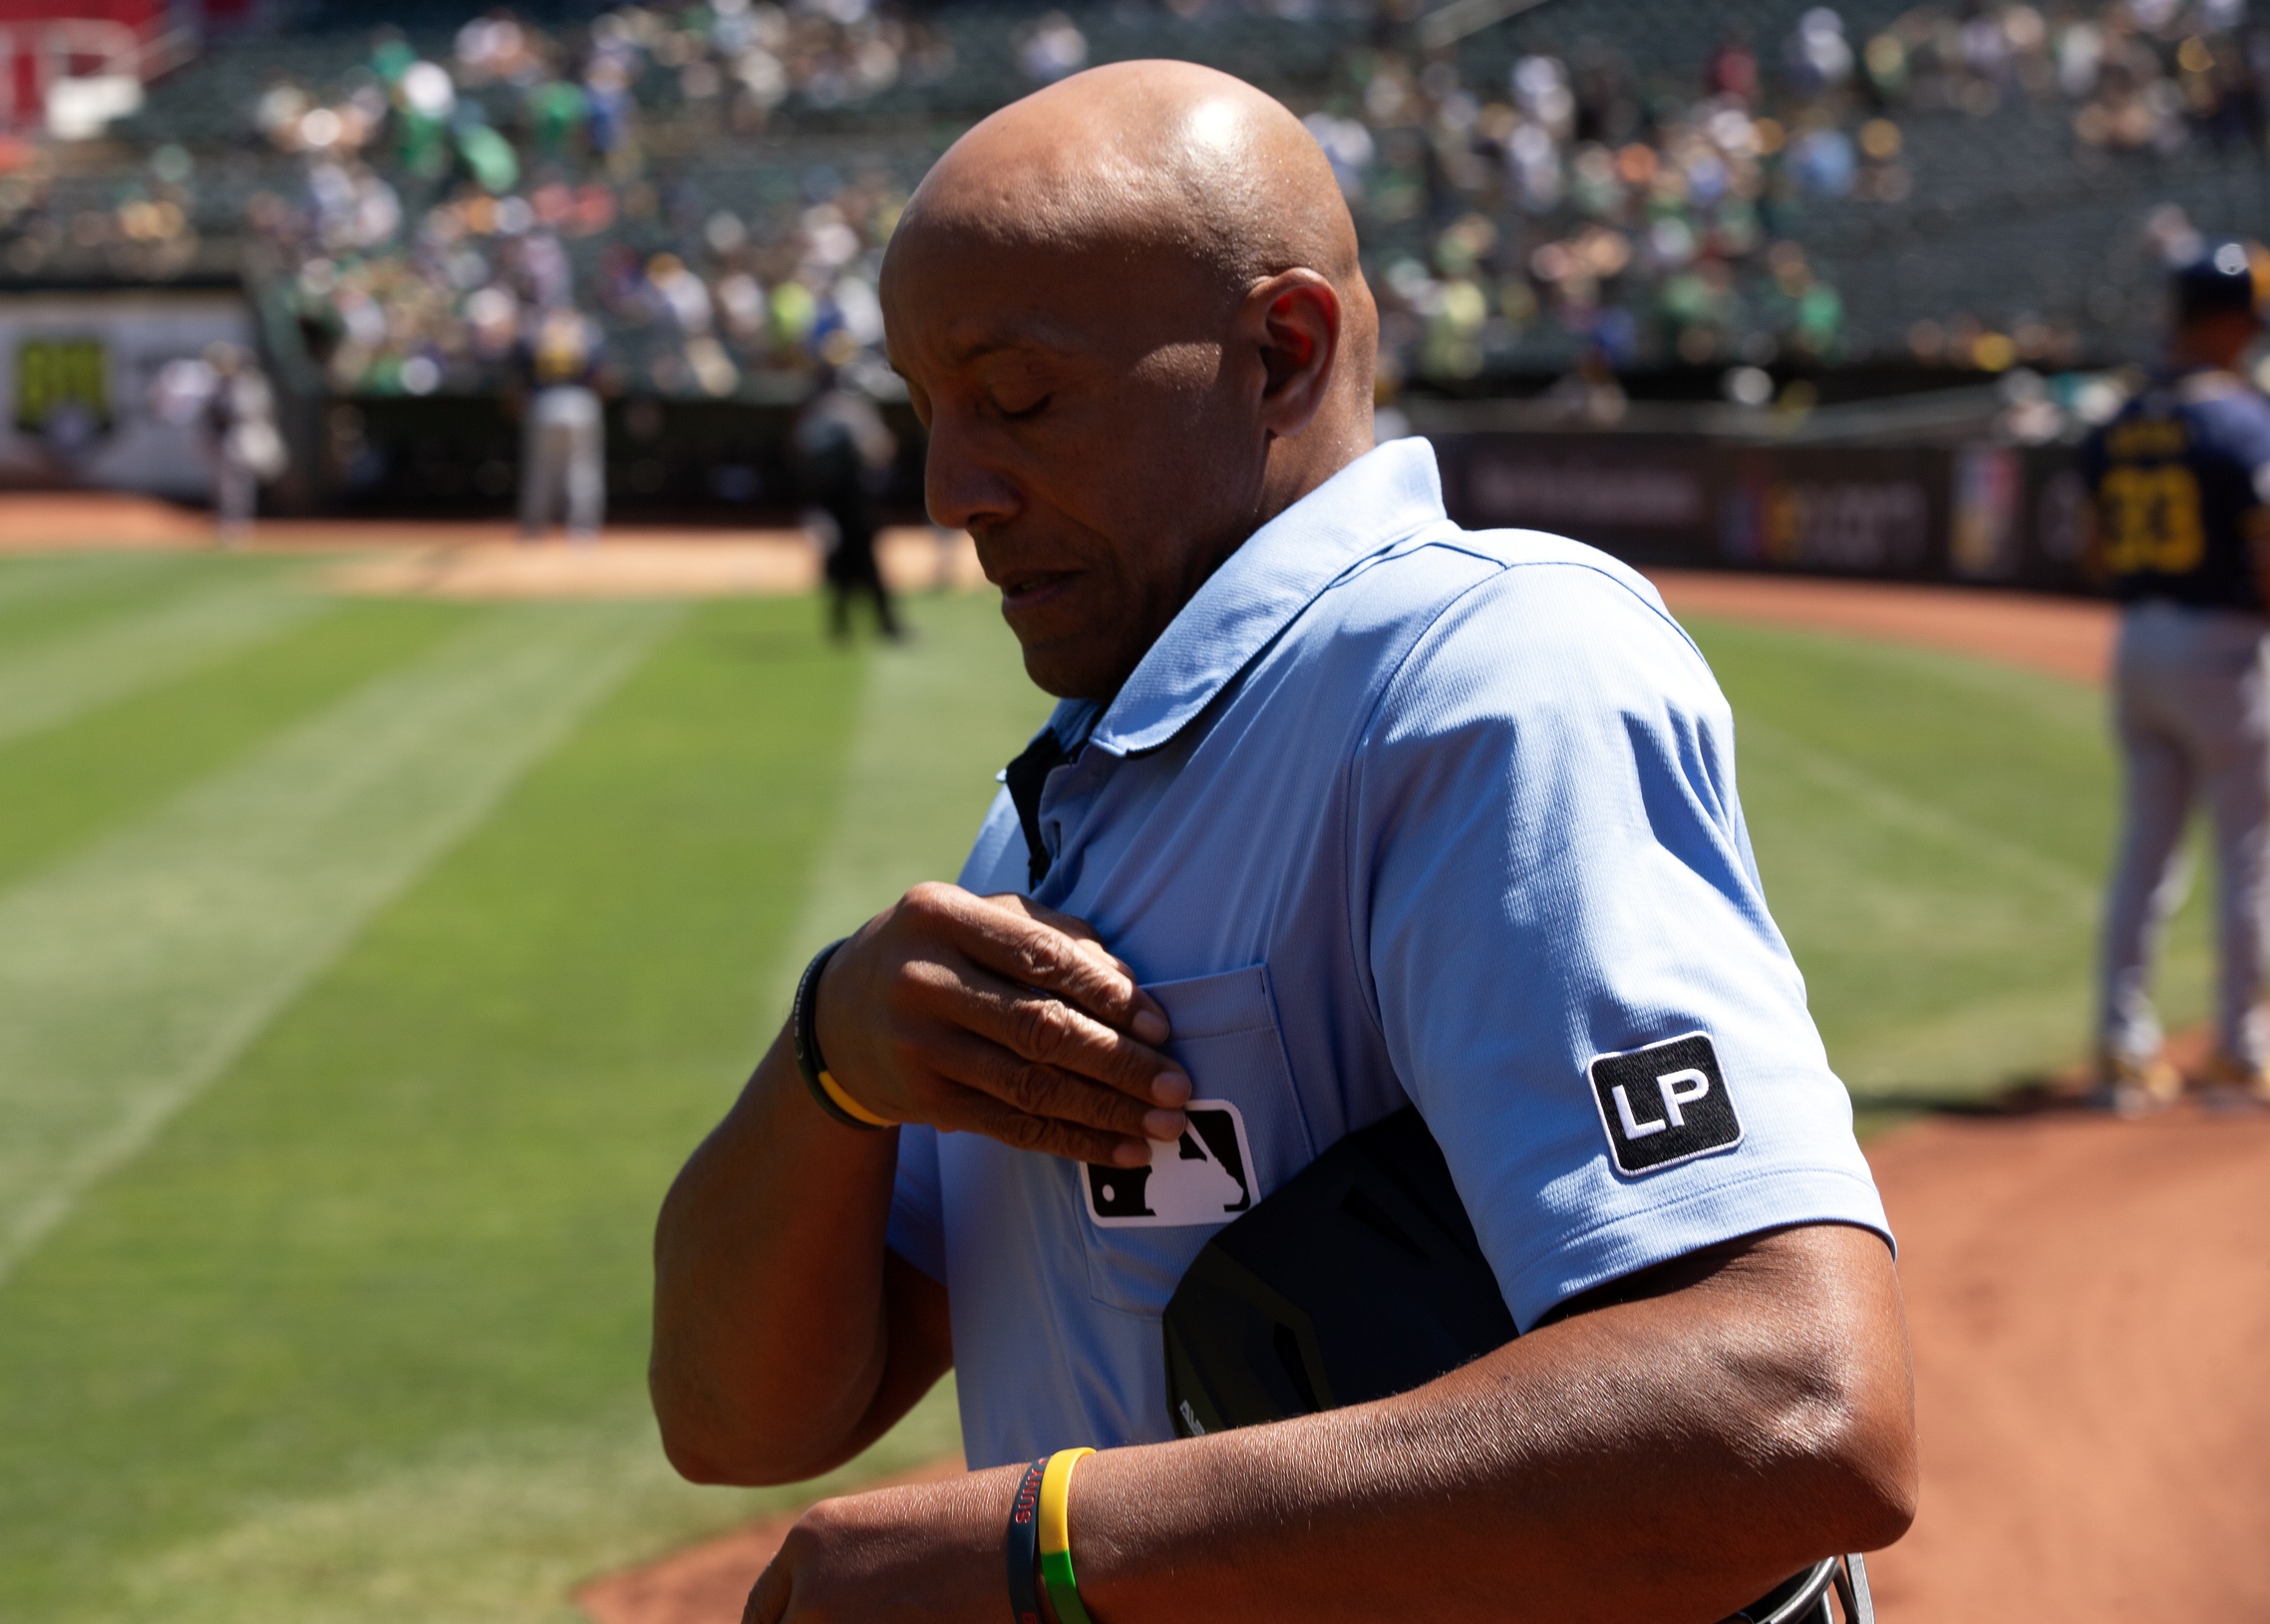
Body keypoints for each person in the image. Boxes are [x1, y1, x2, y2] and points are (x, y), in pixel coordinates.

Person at [651, 61, 1914, 1624]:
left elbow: (1787, 1412)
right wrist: (827, 1057)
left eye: (1018, 397)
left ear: (1278, 349)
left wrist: (1039, 1551)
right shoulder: (1058, 802)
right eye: (929, 412)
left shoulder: (1486, 678)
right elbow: (732, 1421)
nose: (951, 489)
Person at [2088, 241, 2270, 1114]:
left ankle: (2121, 1052)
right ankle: (2239, 1050)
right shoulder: (2239, 418)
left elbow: (2090, 544)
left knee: (2144, 857)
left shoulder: (2122, 414)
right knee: (2247, 855)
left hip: (2137, 637)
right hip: (2223, 645)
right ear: (2230, 321)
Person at [793, 358, 903, 641]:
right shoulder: (853, 409)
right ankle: (884, 623)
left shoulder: (815, 411)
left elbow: (799, 454)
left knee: (840, 560)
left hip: (830, 501)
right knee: (866, 562)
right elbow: (880, 450)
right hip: (857, 500)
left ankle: (841, 625)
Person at [514, 305, 607, 541]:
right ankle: (583, 531)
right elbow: (601, 373)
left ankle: (533, 531)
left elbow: (521, 372)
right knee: (582, 470)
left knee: (540, 470)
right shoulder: (586, 333)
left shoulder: (538, 334)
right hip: (580, 400)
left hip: (545, 402)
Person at [199, 342, 284, 543]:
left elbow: (247, 411)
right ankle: (229, 523)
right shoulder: (224, 382)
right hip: (230, 437)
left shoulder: (251, 383)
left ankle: (237, 524)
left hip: (246, 434)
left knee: (240, 484)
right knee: (226, 484)